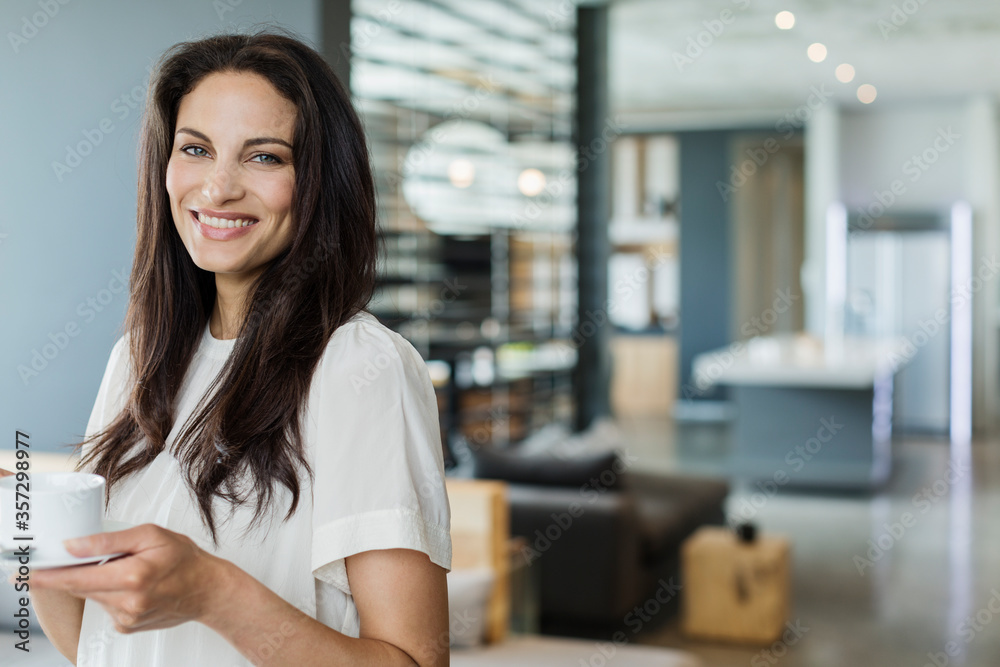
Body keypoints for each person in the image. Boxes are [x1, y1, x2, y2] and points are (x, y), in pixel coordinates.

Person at [16, 28, 452, 667]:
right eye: (195, 148)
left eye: (265, 157)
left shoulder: (361, 367)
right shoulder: (139, 359)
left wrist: (216, 594)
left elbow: (415, 661)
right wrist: (29, 534)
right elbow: (97, 644)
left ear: (319, 184)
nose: (217, 189)